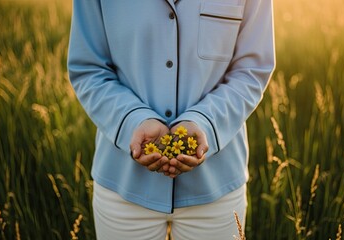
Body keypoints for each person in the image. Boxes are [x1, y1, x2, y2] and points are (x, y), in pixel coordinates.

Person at [67, 0, 275, 239]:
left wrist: (204, 122)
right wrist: (133, 121)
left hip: (216, 188)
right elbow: (89, 69)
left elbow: (252, 69)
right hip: (123, 186)